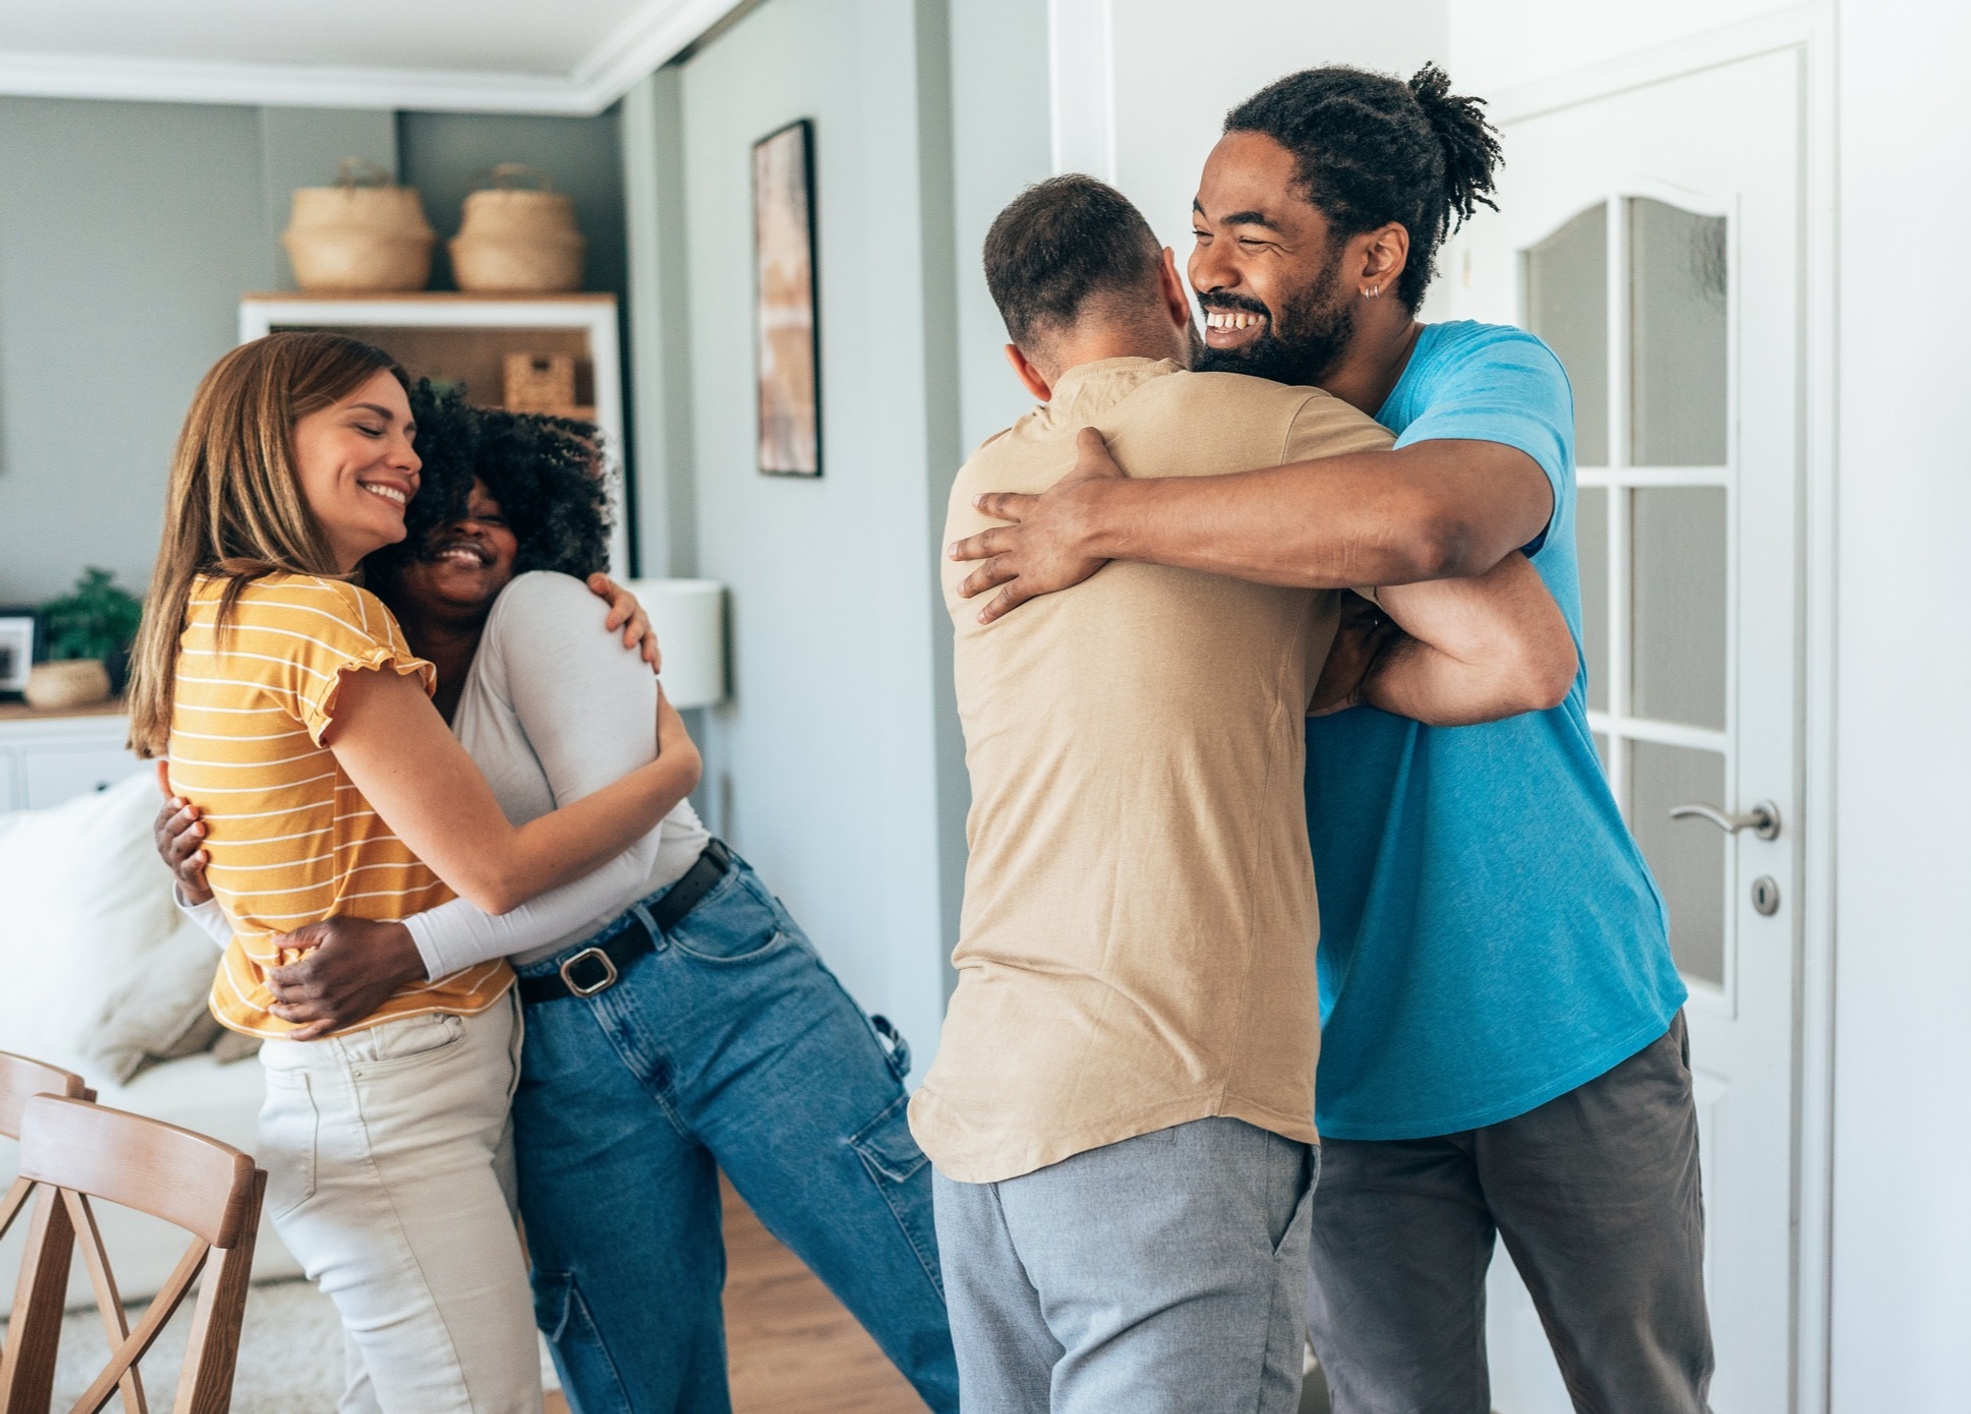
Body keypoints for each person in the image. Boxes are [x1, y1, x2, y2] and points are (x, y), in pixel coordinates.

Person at [947, 67, 1710, 1414]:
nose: (1206, 267)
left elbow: (1431, 521)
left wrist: (1109, 522)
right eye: (1198, 229)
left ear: (1374, 256)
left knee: (1645, 1393)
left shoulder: (1479, 372)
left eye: (1252, 234)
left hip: (1566, 1015)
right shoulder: (1204, 420)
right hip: (1339, 1068)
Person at [157, 384, 959, 1414]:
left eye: (498, 512)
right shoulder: (360, 672)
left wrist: (407, 951)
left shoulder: (543, 610)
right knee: (631, 1372)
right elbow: (312, 866)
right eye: (445, 502)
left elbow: (614, 867)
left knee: (927, 1288)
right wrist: (200, 883)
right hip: (550, 1041)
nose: (472, 527)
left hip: (709, 974)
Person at [126, 331, 700, 1414]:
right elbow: (497, 875)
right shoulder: (323, 617)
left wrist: (199, 894)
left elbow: (270, 895)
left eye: (407, 433)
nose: (407, 457)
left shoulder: (210, 612)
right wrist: (674, 769)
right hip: (396, 1095)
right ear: (267, 442)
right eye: (369, 426)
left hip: (352, 1086)